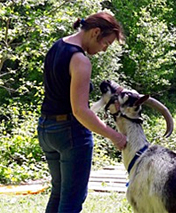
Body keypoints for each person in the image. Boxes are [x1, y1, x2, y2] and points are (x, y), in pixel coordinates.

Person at [37, 12, 126, 213]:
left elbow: (64, 99)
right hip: (70, 133)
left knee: (58, 193)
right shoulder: (80, 60)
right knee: (72, 200)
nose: (104, 50)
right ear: (95, 32)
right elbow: (79, 111)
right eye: (107, 43)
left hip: (46, 129)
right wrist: (115, 136)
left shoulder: (57, 46)